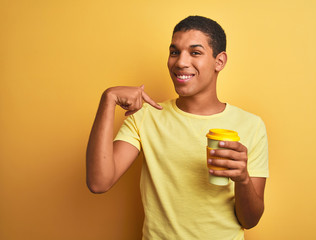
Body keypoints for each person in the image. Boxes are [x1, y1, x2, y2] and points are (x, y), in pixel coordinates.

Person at [86, 15, 269, 240]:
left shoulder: (251, 125)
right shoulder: (145, 117)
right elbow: (98, 182)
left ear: (219, 61)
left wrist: (243, 179)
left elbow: (249, 221)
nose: (180, 62)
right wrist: (108, 99)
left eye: (195, 52)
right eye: (174, 52)